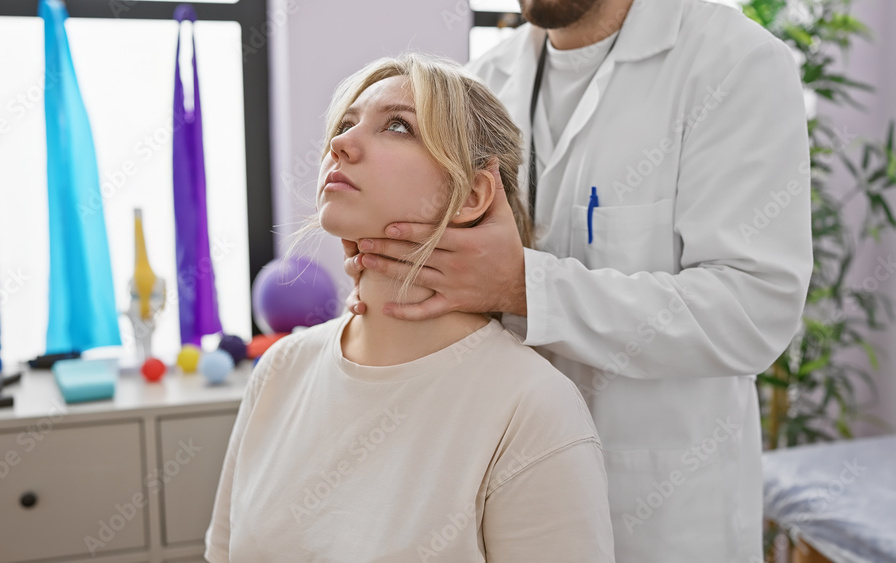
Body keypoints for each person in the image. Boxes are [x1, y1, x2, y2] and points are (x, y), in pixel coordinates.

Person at [343, 0, 813, 561]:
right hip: (501, 494)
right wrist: (404, 265)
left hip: (659, 512)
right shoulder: (489, 79)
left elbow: (751, 314)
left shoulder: (734, 64)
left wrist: (522, 286)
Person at [204, 53, 615, 562]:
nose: (339, 144)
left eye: (397, 126)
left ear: (470, 194)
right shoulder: (282, 369)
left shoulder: (531, 408)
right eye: (346, 123)